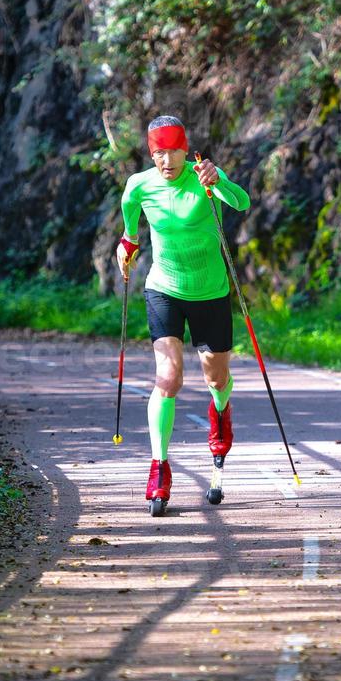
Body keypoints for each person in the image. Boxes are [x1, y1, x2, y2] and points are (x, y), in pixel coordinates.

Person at [117, 115, 250, 511]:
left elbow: (241, 202)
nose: (166, 161)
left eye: (173, 151)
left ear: (184, 149)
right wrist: (126, 248)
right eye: (158, 153)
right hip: (164, 288)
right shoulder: (138, 187)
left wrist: (220, 182)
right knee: (168, 377)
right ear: (151, 153)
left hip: (210, 292)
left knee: (216, 374)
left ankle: (221, 412)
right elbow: (129, 233)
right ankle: (159, 467)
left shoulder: (204, 176)